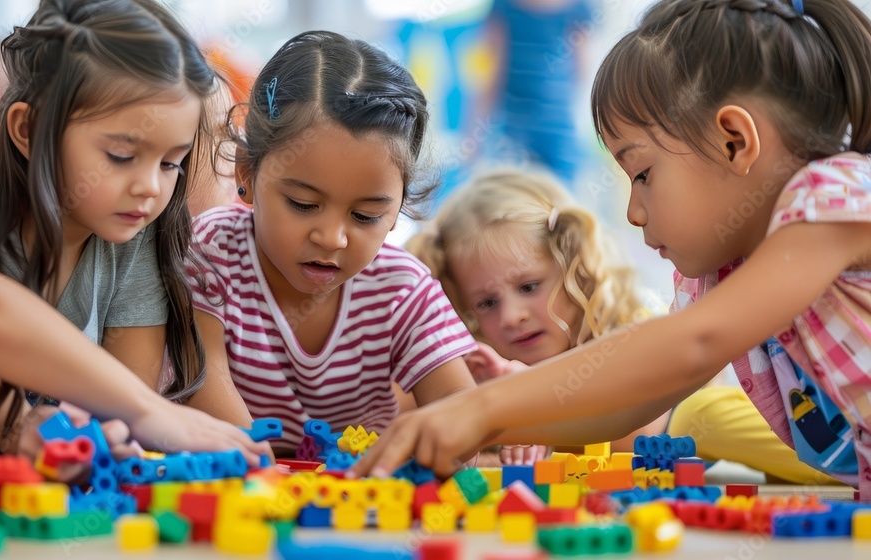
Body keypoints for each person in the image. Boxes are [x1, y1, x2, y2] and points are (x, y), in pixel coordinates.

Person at [351, 0, 871, 499]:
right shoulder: (720, 274)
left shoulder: (834, 198)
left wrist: (482, 408)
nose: (633, 212)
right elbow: (634, 397)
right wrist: (484, 421)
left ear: (734, 140)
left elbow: (692, 342)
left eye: (643, 174)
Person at [0, 0, 266, 509]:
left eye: (172, 162)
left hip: (52, 440)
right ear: (29, 132)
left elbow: (128, 393)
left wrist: (113, 436)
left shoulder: (135, 242)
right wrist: (63, 436)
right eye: (121, 157)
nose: (149, 186)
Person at [408, 168, 839, 484]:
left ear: (576, 268)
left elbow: (637, 430)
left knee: (702, 416)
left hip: (704, 427)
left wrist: (516, 404)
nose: (512, 315)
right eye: (486, 302)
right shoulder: (476, 372)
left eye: (529, 286)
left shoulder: (623, 330)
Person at [187, 31, 478, 453]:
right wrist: (263, 477)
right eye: (303, 204)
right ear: (246, 174)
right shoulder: (211, 251)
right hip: (245, 488)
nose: (332, 237)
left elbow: (462, 415)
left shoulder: (402, 289)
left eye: (366, 216)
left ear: (397, 210)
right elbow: (203, 377)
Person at [480, 0, 595, 187]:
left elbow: (582, 72)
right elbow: (491, 76)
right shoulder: (504, 6)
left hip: (553, 128)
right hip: (516, 126)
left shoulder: (578, 7)